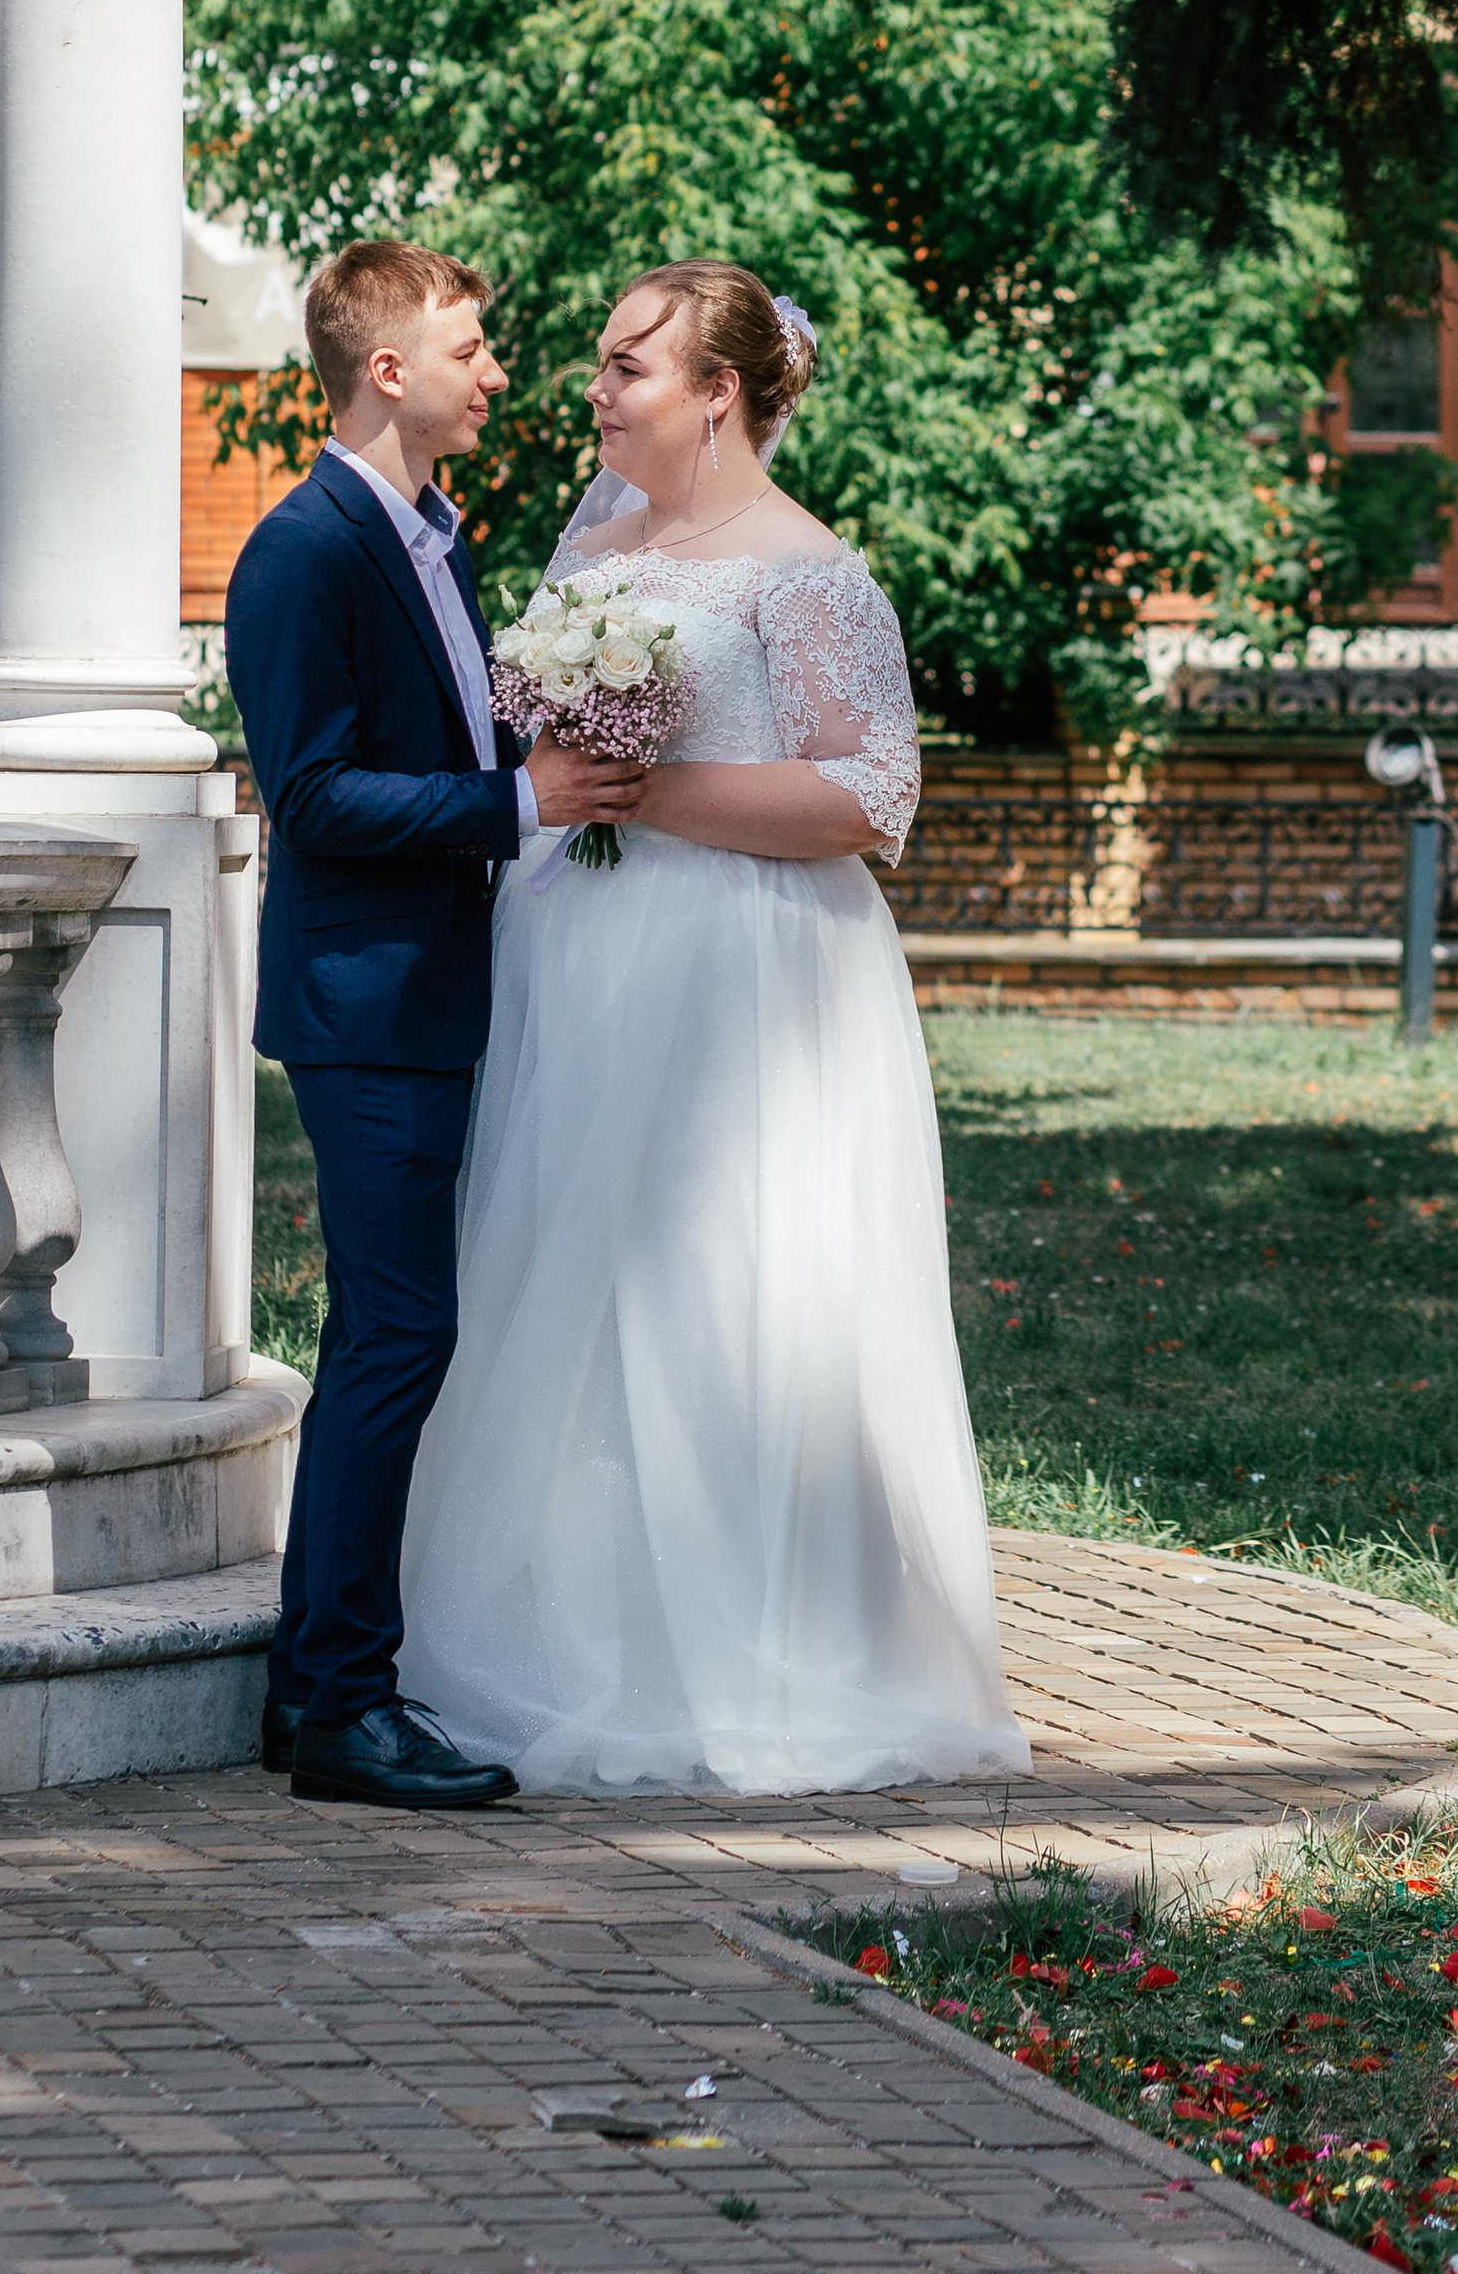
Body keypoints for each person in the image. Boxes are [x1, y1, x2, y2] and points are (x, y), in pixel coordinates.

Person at [399, 260, 1031, 1796]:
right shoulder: (596, 537)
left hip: (744, 980)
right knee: (570, 1285)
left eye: (627, 368)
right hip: (580, 957)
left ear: (718, 392)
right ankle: (559, 1635)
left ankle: (755, 1657)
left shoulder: (806, 574)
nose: (594, 390)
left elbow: (873, 798)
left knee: (728, 1296)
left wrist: (646, 793)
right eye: (603, 365)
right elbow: (534, 730)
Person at [224, 240, 645, 1810]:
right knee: (400, 1335)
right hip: (368, 1006)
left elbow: (463, 725)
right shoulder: (304, 552)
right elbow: (316, 796)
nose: (498, 371)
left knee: (386, 1336)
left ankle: (307, 1684)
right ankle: (344, 1701)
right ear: (386, 368)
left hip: (439, 992)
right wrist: (512, 799)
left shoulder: (434, 543)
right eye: (472, 347)